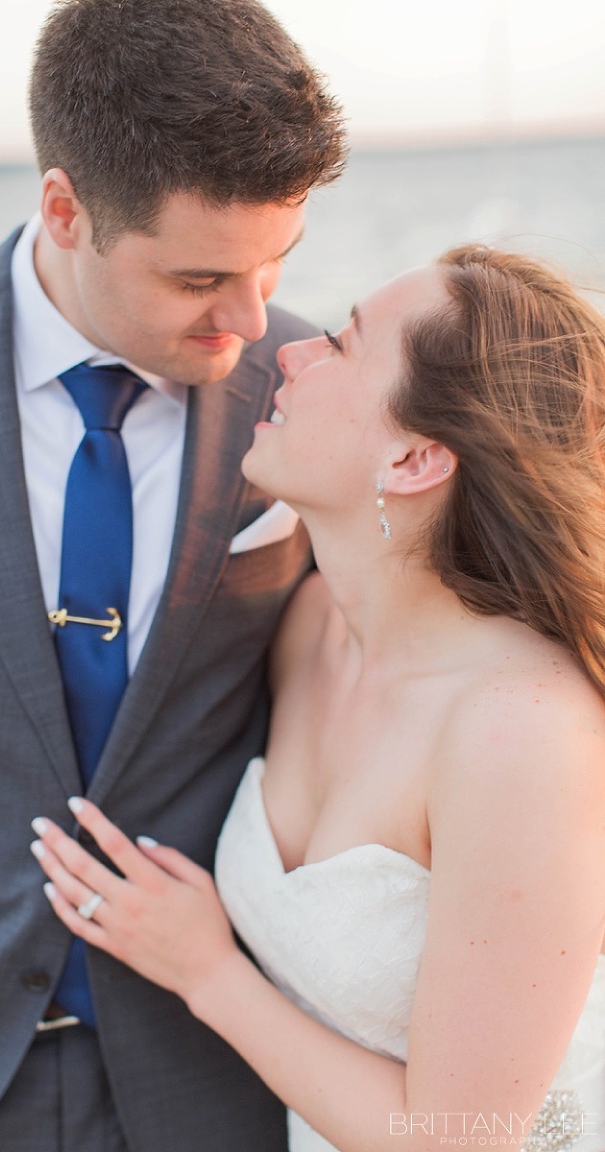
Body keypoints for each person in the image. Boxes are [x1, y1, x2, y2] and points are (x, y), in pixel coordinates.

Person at [0, 0, 347, 1149]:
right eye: (200, 277)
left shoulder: (313, 391)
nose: (254, 317)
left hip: (212, 1080)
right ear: (65, 210)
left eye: (278, 263)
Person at [31, 244, 605, 1151]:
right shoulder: (308, 630)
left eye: (342, 343)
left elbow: (463, 1139)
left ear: (416, 458)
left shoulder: (520, 731)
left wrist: (207, 970)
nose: (290, 353)